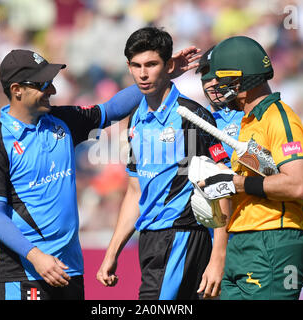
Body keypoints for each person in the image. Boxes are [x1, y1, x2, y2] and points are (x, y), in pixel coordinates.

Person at [0, 47, 200, 300]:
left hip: (70, 270)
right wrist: (35, 256)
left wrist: (163, 77)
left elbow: (111, 110)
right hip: (24, 272)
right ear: (17, 90)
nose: (52, 90)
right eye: (43, 84)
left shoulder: (62, 120)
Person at [96, 27, 231, 300]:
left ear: (169, 66)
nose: (143, 74)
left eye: (151, 65)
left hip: (182, 235)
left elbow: (222, 186)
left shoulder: (190, 117)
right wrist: (112, 253)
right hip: (149, 240)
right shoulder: (136, 118)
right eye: (136, 66)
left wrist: (219, 257)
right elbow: (135, 191)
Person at [198, 36, 303, 300]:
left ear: (245, 78)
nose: (217, 86)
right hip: (241, 240)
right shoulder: (249, 121)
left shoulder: (279, 117)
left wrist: (236, 183)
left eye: (224, 78)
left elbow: (297, 184)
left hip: (273, 241)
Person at [196, 45, 244, 164]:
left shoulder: (249, 114)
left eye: (220, 76)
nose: (213, 83)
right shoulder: (196, 120)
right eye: (207, 76)